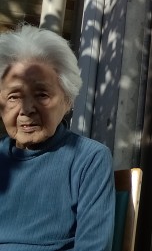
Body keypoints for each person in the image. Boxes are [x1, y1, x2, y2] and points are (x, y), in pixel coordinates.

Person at [0, 25, 115, 251]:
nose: (26, 110)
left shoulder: (89, 159)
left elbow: (93, 246)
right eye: (13, 97)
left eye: (42, 95)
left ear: (68, 101)